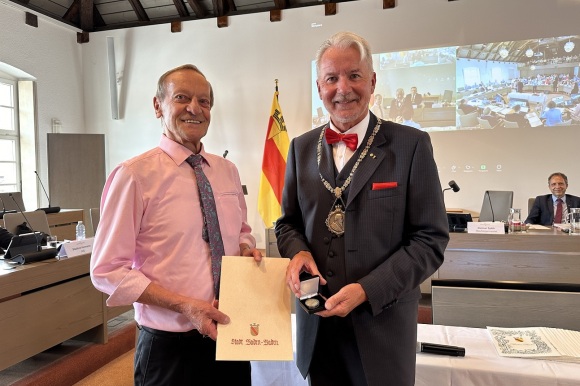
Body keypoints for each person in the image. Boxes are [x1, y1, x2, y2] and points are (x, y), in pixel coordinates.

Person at [275, 31, 449, 386]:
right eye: (331, 78)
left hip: (382, 327)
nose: (343, 88)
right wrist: (297, 253)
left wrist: (368, 289)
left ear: (372, 81)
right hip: (317, 326)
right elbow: (287, 225)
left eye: (354, 75)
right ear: (319, 86)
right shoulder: (300, 148)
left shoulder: (411, 145)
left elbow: (430, 240)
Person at [90, 64, 261, 386]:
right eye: (182, 98)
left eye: (204, 101)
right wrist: (184, 305)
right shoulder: (133, 176)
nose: (194, 109)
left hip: (231, 331)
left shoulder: (227, 171)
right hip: (170, 347)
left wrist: (247, 249)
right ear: (158, 105)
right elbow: (106, 270)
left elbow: (241, 230)